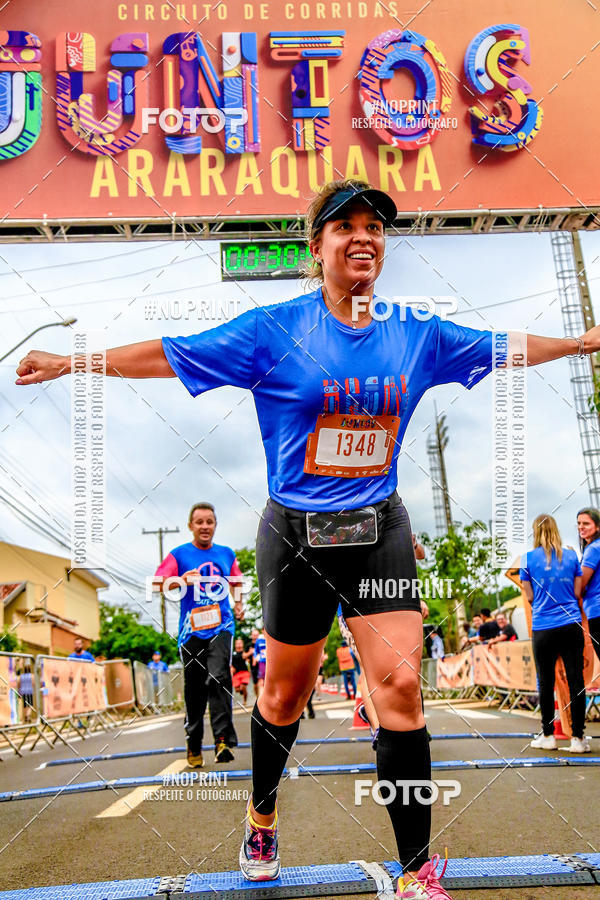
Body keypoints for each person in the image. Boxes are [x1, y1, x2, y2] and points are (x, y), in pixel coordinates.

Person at [16, 179, 600, 899]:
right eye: (345, 226)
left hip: (378, 527)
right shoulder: (273, 330)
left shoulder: (418, 332)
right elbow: (172, 353)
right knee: (284, 695)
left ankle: (415, 868)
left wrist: (579, 342)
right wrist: (74, 362)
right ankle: (262, 813)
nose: (363, 237)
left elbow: (505, 346)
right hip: (294, 534)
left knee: (402, 687)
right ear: (315, 246)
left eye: (375, 228)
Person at [153, 502, 244, 768]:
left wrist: (238, 604)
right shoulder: (179, 554)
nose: (205, 527)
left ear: (215, 525)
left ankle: (222, 740)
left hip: (221, 626)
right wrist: (181, 580)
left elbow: (237, 582)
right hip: (191, 630)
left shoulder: (226, 554)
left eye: (210, 522)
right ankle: (194, 742)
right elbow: (157, 582)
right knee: (194, 690)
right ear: (191, 526)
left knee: (218, 676)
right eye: (200, 522)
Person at [520, 514, 589, 754]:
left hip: (543, 626)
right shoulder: (571, 556)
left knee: (546, 681)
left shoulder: (527, 559)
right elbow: (578, 591)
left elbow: (529, 597)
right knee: (576, 681)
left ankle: (548, 735)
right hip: (570, 623)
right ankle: (578, 739)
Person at [578, 507, 600, 663]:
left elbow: (581, 585)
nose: (581, 527)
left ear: (598, 526)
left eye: (586, 523)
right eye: (579, 523)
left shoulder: (592, 549)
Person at [232, 637, 251, 706]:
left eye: (240, 643)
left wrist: (248, 659)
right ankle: (241, 691)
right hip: (236, 674)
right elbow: (230, 663)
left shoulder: (245, 652)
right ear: (235, 644)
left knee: (243, 686)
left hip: (244, 672)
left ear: (242, 644)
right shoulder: (233, 654)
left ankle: (245, 701)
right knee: (237, 689)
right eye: (237, 643)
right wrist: (231, 667)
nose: (239, 644)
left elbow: (248, 659)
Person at [253, 627, 267, 699]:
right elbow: (256, 651)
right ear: (262, 631)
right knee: (261, 681)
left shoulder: (272, 639)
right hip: (262, 662)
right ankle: (260, 699)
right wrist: (256, 658)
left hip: (271, 663)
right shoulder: (259, 640)